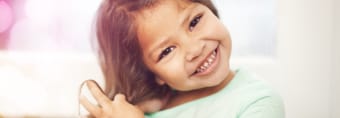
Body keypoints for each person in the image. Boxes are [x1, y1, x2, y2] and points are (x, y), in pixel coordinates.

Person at [80, 0, 285, 117]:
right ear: (152, 73)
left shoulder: (259, 102)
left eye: (194, 21)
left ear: (211, 10)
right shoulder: (138, 110)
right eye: (167, 51)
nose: (194, 49)